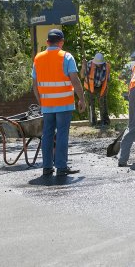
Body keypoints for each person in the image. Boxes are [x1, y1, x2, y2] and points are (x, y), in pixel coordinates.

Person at [32, 29, 87, 176]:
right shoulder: (67, 57)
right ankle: (61, 167)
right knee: (62, 134)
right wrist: (82, 98)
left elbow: (34, 84)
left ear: (48, 42)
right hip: (64, 104)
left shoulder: (38, 58)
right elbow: (75, 80)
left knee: (47, 134)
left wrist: (41, 102)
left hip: (47, 105)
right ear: (61, 42)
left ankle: (47, 167)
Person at [80, 52, 111, 127]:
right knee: (91, 105)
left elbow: (107, 79)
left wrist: (105, 89)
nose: (99, 65)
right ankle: (93, 122)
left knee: (103, 104)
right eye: (97, 63)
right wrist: (83, 67)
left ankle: (105, 121)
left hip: (101, 87)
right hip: (90, 87)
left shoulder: (106, 66)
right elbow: (82, 76)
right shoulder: (90, 64)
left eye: (100, 63)